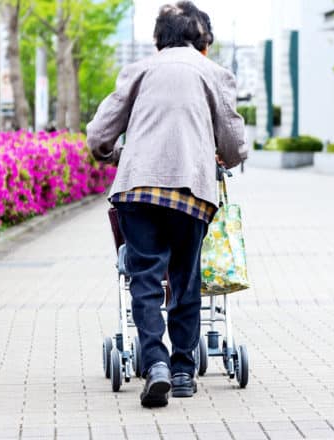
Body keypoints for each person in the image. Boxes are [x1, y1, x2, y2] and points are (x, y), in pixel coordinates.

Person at [86, 2, 247, 408]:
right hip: (192, 191)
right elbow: (232, 139)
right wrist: (228, 157)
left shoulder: (139, 71)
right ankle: (181, 371)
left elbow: (99, 134)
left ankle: (154, 363)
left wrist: (115, 154)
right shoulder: (213, 73)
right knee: (185, 277)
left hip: (138, 190)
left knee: (144, 276)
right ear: (202, 41)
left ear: (159, 40)